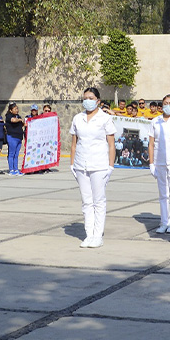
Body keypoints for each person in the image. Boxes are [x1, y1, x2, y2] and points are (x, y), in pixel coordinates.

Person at [68, 87, 116, 248]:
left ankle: (98, 235)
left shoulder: (105, 119)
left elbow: (111, 144)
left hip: (99, 164)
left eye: (90, 98)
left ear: (98, 101)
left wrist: (110, 166)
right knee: (86, 201)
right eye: (85, 98)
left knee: (98, 201)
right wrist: (72, 164)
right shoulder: (78, 118)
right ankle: (89, 234)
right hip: (81, 164)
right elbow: (74, 144)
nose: (87, 101)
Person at [147, 93, 170, 234]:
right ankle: (164, 222)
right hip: (160, 161)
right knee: (163, 194)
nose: (167, 106)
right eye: (165, 103)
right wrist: (151, 163)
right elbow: (151, 144)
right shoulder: (155, 121)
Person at [5, 103, 25, 176]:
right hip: (12, 137)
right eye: (15, 109)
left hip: (19, 137)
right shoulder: (8, 116)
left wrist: (23, 122)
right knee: (11, 154)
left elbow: (21, 124)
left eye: (17, 108)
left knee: (16, 154)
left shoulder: (18, 116)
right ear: (11, 110)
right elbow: (13, 120)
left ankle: (16, 169)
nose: (17, 110)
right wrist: (19, 119)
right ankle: (11, 170)